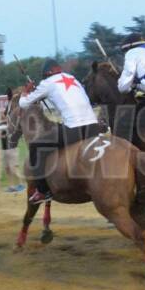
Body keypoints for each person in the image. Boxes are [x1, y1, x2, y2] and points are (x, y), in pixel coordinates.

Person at [19, 59, 102, 204]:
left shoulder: (47, 83)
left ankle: (42, 191)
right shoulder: (72, 78)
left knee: (36, 146)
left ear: (47, 73)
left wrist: (26, 92)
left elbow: (24, 103)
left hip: (75, 129)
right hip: (93, 127)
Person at [0, 128, 25, 192]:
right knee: (7, 170)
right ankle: (11, 186)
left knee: (14, 169)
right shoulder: (0, 124)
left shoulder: (12, 123)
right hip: (4, 150)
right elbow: (0, 136)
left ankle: (22, 185)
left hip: (12, 149)